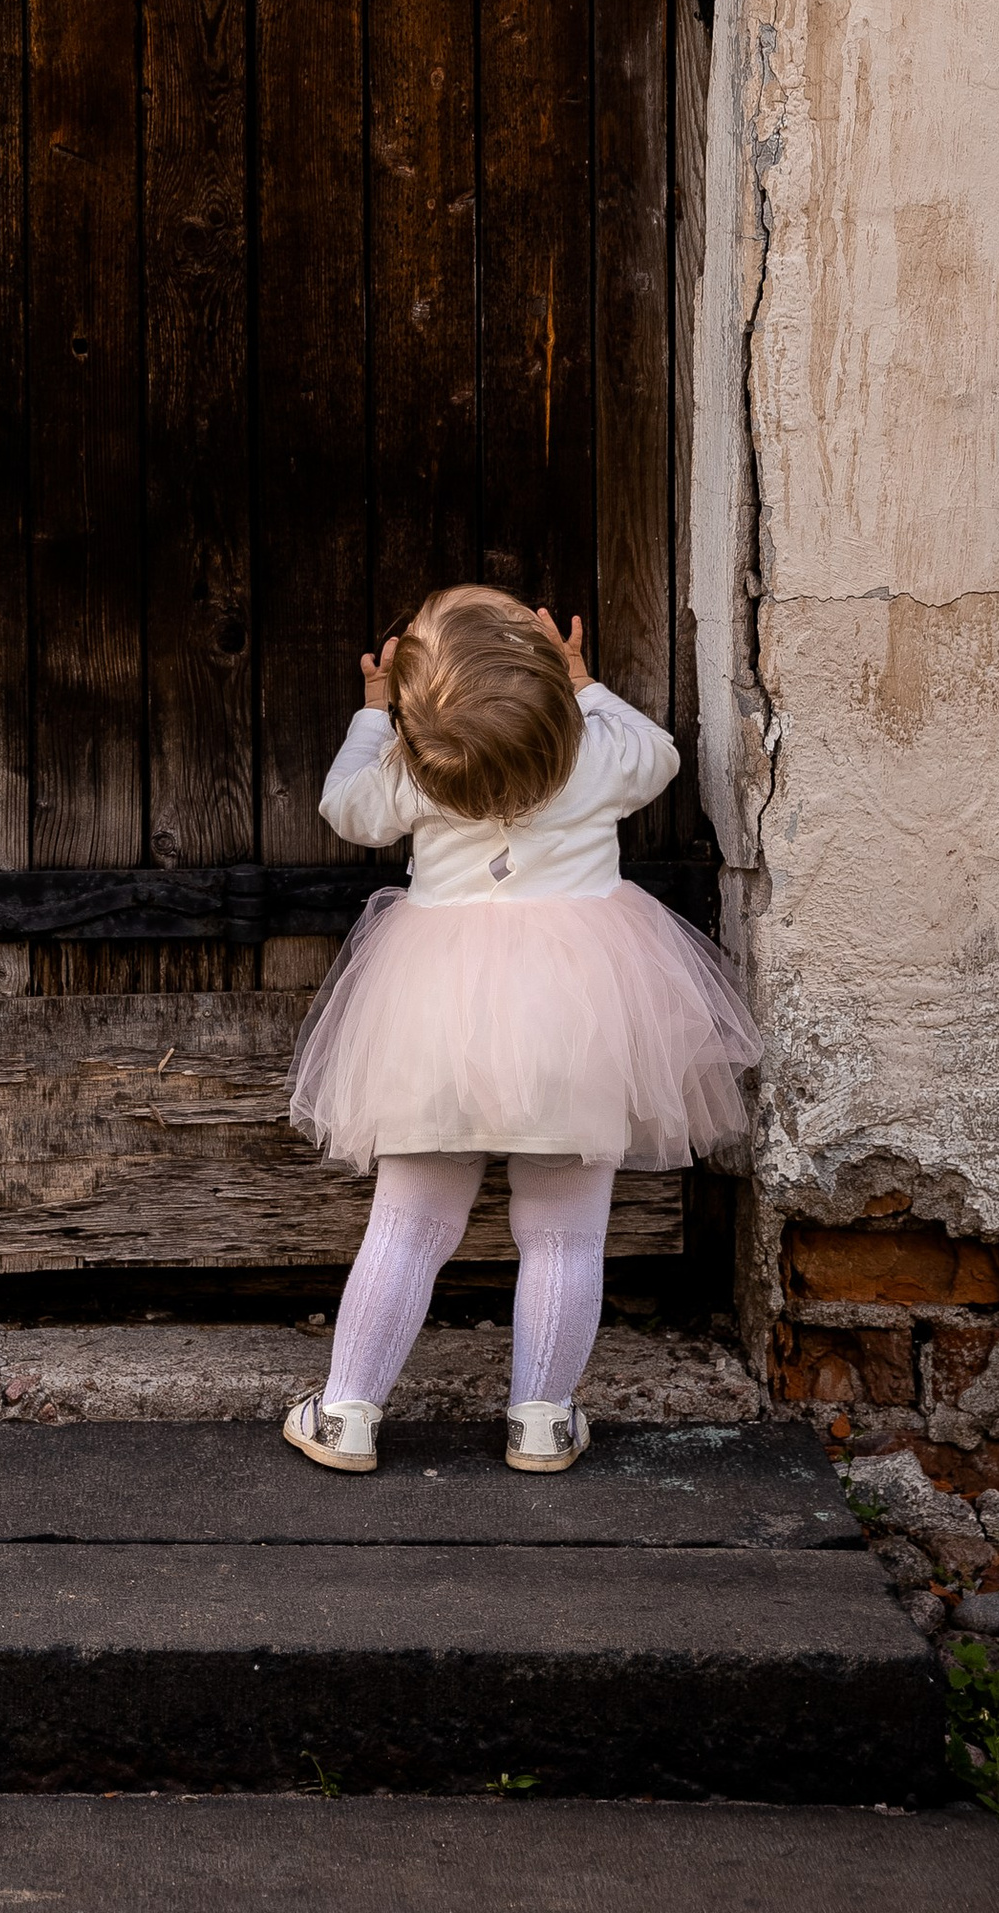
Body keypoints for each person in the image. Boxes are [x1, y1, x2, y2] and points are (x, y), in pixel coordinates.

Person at [282, 584, 759, 1478]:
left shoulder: (410, 769)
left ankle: (346, 1411)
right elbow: (659, 754)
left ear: (424, 723)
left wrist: (375, 715)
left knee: (411, 1222)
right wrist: (585, 685)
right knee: (565, 1234)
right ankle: (542, 1418)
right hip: (579, 1019)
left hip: (434, 1018)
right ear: (544, 676)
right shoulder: (594, 754)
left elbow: (345, 805)